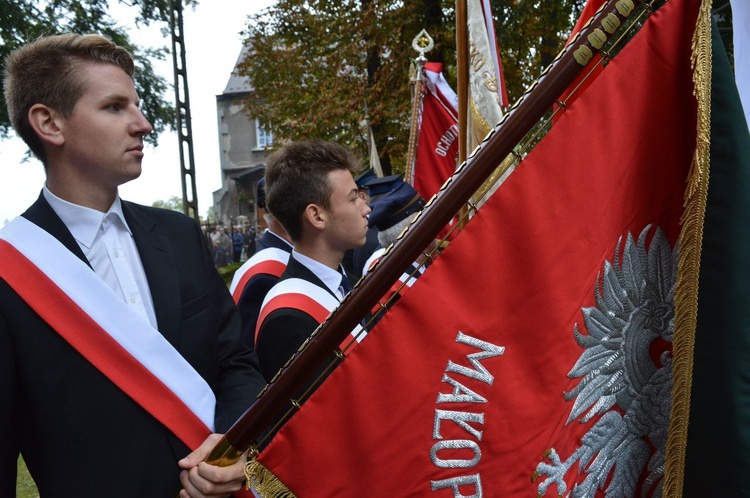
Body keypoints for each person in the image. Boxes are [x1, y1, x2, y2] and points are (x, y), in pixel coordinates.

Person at [0, 33, 264, 497]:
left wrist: (232, 444)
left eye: (137, 106)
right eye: (115, 107)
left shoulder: (179, 236)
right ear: (49, 123)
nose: (143, 124)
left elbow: (236, 364)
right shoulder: (10, 271)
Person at [254, 139, 371, 383]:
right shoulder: (288, 319)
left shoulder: (347, 280)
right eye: (352, 199)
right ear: (316, 216)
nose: (365, 208)